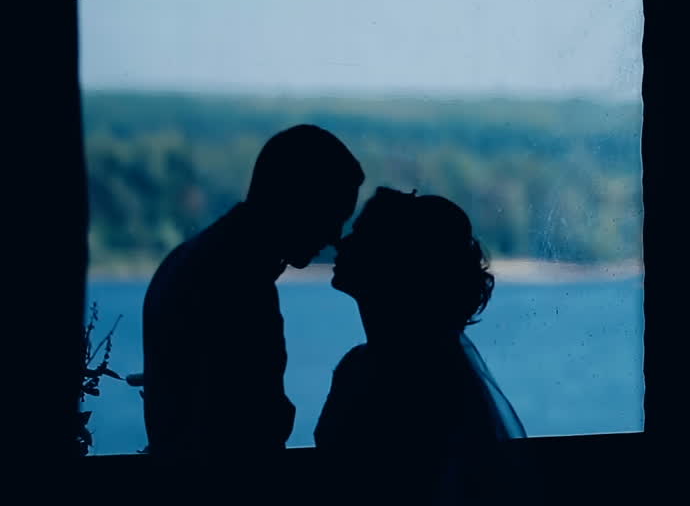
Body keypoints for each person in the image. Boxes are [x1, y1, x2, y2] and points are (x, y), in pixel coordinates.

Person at [141, 124, 363, 465]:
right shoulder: (235, 282)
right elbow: (245, 428)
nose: (335, 236)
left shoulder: (196, 260)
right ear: (296, 199)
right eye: (333, 215)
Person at [314, 187, 529, 503]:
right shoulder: (373, 364)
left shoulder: (414, 376)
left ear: (393, 260)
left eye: (360, 236)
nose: (341, 242)